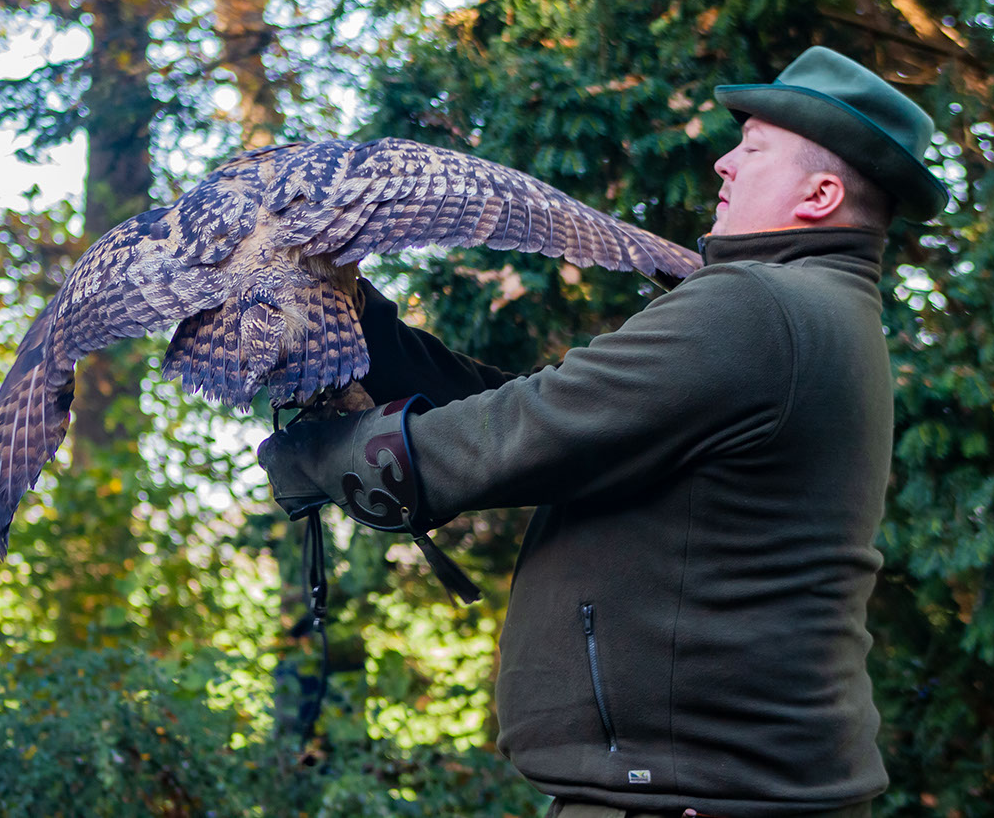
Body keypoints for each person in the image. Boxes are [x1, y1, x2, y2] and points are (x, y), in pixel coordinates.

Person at [257, 46, 949, 818]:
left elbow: (517, 433)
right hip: (718, 791)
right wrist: (354, 322)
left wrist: (308, 455)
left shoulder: (756, 308)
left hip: (693, 799)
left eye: (751, 150)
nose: (723, 163)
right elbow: (557, 422)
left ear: (820, 193)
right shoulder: (808, 310)